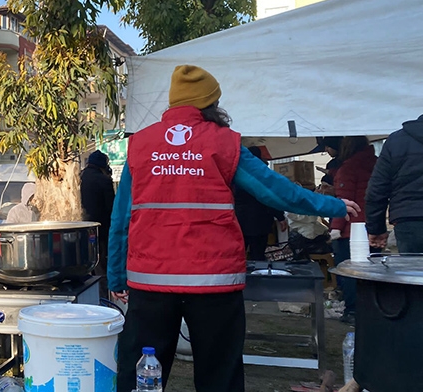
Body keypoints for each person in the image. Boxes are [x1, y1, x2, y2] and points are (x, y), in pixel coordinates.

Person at [108, 65, 360, 392]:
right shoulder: (223, 143)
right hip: (213, 283)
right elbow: (275, 190)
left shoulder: (140, 146)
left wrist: (116, 276)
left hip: (151, 282)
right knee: (219, 374)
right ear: (211, 104)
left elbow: (120, 219)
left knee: (140, 375)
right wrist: (333, 205)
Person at [330, 136, 378, 324]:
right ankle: (373, 310)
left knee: (350, 273)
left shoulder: (349, 168)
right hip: (374, 227)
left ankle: (352, 311)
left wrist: (335, 228)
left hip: (351, 230)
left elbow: (345, 203)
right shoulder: (377, 163)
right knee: (373, 273)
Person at [366, 114, 423, 254]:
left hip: (408, 219)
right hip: (408, 217)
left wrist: (376, 229)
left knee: (413, 273)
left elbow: (377, 189)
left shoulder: (396, 141)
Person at [234, 147, 287, 261]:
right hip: (260, 220)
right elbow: (270, 198)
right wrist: (280, 217)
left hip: (239, 220)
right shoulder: (263, 174)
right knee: (257, 255)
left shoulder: (236, 173)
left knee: (238, 255)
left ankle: (240, 277)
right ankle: (257, 276)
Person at [80, 150, 115, 297]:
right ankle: (105, 298)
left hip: (86, 228)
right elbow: (112, 207)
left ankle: (94, 296)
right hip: (103, 229)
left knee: (91, 264)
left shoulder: (83, 177)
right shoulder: (103, 180)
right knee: (102, 266)